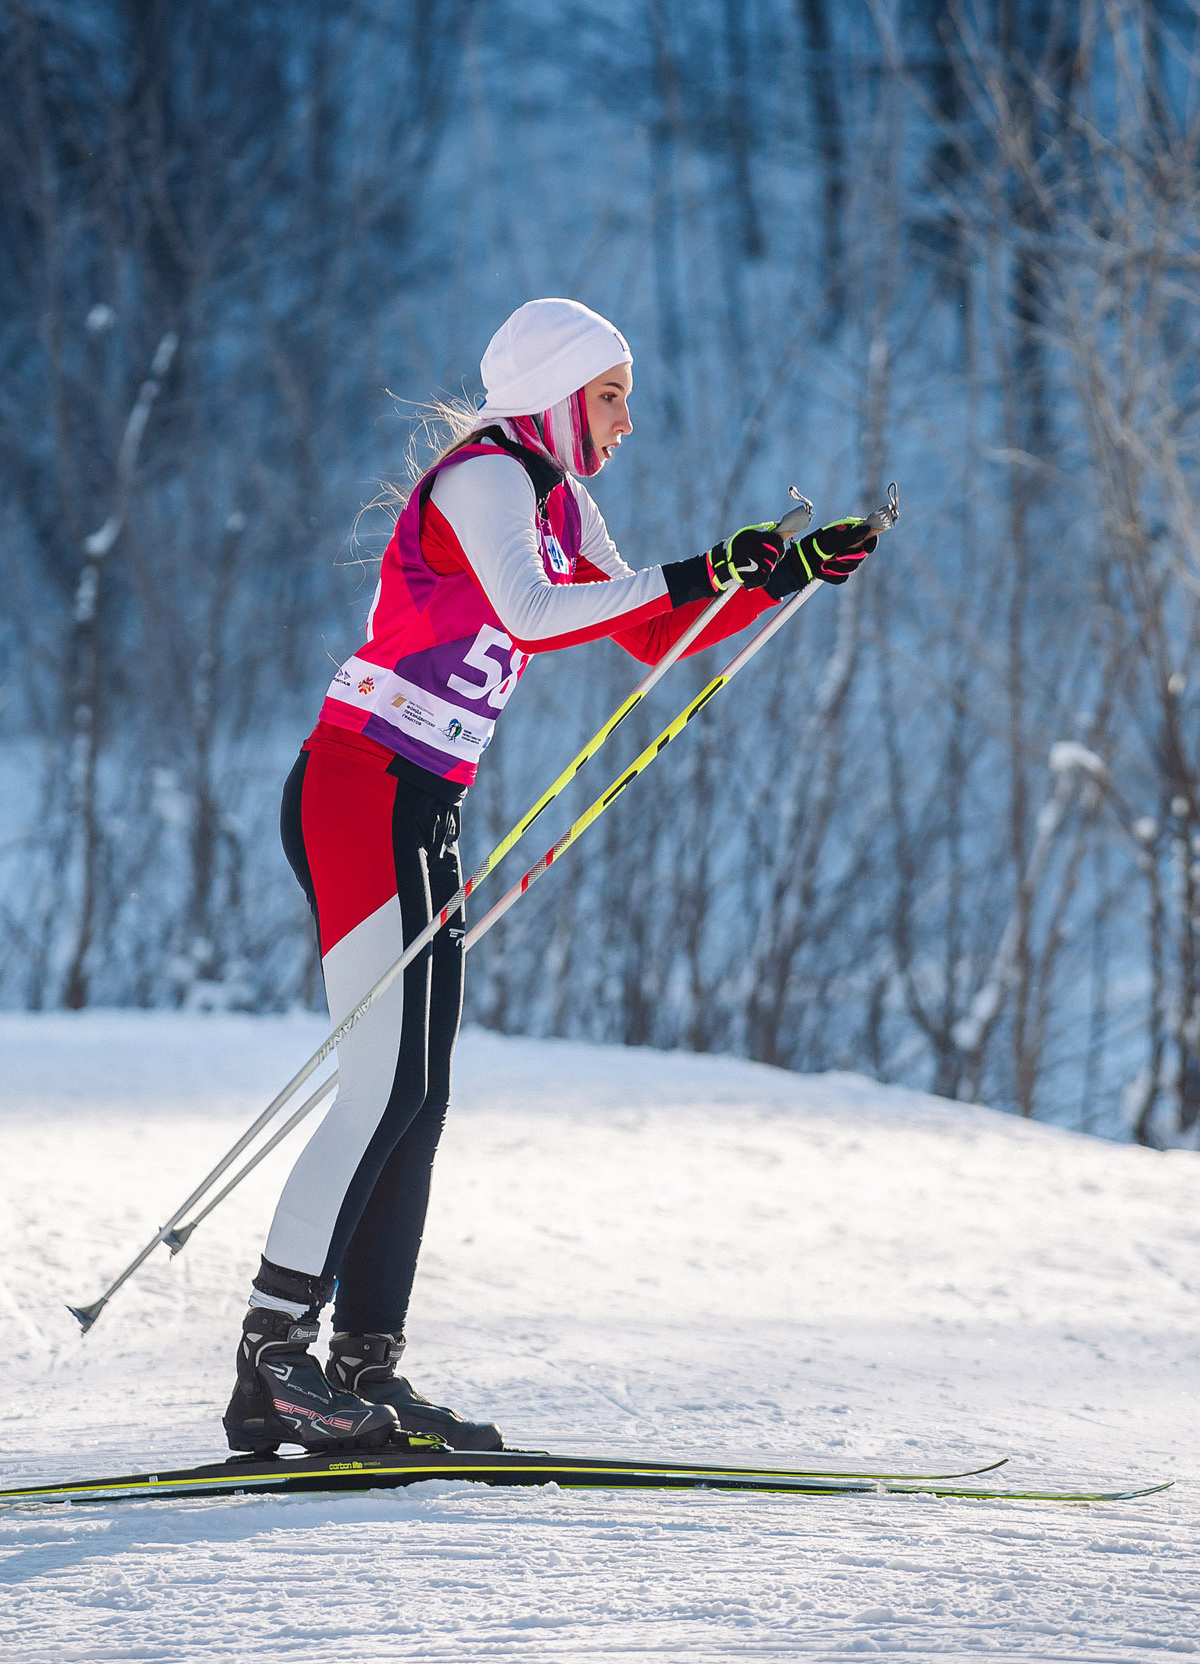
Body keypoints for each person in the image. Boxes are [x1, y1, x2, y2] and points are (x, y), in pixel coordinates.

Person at [224, 298, 880, 1456]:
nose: (627, 419)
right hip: (358, 783)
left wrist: (773, 579)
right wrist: (699, 564)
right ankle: (272, 1359)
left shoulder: (563, 498)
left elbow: (646, 635)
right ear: (555, 393)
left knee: (417, 1102)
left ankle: (364, 1369)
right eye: (611, 393)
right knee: (379, 1087)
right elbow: (530, 616)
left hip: (425, 799)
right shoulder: (486, 475)